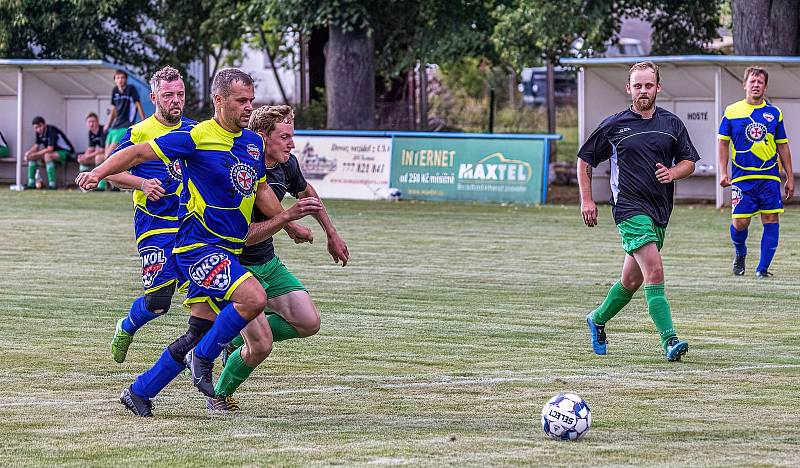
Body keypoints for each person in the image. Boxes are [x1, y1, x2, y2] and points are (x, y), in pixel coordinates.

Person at [76, 68, 322, 417]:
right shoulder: (196, 137)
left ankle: (140, 391)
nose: (248, 107)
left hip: (228, 250)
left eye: (251, 100)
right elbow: (138, 154)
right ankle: (203, 356)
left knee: (198, 329)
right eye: (241, 101)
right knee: (252, 297)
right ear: (218, 101)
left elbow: (260, 188)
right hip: (198, 247)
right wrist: (98, 172)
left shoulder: (252, 142)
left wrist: (289, 226)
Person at [207, 105, 350, 411]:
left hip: (268, 264)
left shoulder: (287, 165)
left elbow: (306, 191)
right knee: (261, 345)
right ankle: (219, 394)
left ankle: (230, 337)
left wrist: (331, 234)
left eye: (292, 136)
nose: (292, 144)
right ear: (262, 137)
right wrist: (288, 221)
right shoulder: (242, 172)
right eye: (285, 137)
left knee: (309, 321)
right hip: (237, 269)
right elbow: (244, 235)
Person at [577, 61, 699, 362]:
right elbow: (585, 161)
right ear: (628, 88)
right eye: (638, 85)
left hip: (659, 212)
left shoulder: (672, 124)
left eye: (649, 85)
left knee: (632, 282)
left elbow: (689, 162)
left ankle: (597, 319)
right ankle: (670, 340)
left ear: (658, 88)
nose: (643, 91)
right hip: (629, 209)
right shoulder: (614, 125)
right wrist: (587, 200)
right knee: (655, 271)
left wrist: (673, 173)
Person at [104, 65, 196, 364]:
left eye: (180, 94)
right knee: (158, 301)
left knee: (211, 289)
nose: (175, 100)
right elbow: (112, 173)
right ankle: (126, 327)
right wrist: (141, 182)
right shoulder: (139, 132)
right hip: (153, 222)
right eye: (168, 95)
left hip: (190, 222)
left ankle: (215, 349)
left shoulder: (196, 130)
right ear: (154, 97)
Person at [718, 66, 794, 278]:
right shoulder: (732, 111)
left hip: (769, 176)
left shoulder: (774, 113)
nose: (756, 85)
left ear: (765, 86)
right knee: (740, 222)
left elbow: (783, 145)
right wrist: (723, 172)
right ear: (745, 85)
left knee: (771, 218)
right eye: (752, 81)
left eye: (760, 82)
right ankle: (740, 252)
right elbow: (723, 143)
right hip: (742, 178)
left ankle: (762, 269)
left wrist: (789, 175)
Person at [96, 69, 146, 191]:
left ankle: (116, 184)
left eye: (122, 77)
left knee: (110, 155)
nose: (120, 80)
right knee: (105, 157)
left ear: (126, 79)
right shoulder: (114, 91)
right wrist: (108, 123)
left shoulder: (131, 90)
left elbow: (138, 105)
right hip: (114, 127)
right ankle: (104, 185)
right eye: (118, 78)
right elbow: (114, 109)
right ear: (115, 79)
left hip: (125, 126)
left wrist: (145, 121)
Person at [24, 116, 75, 189]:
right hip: (54, 153)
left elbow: (50, 149)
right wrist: (29, 153)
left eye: (39, 127)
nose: (37, 129)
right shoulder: (38, 132)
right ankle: (31, 183)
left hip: (67, 153)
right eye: (35, 128)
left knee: (47, 156)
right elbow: (36, 146)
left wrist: (35, 154)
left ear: (44, 124)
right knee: (32, 157)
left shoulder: (51, 131)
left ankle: (52, 185)